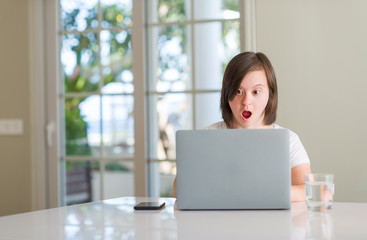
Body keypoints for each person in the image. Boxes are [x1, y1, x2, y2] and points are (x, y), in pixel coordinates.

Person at [173, 51, 311, 202]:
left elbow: (306, 189)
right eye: (238, 91)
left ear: (270, 94)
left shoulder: (289, 140)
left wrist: (261, 191)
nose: (246, 101)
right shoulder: (207, 137)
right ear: (227, 94)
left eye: (256, 92)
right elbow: (179, 189)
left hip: (272, 222)